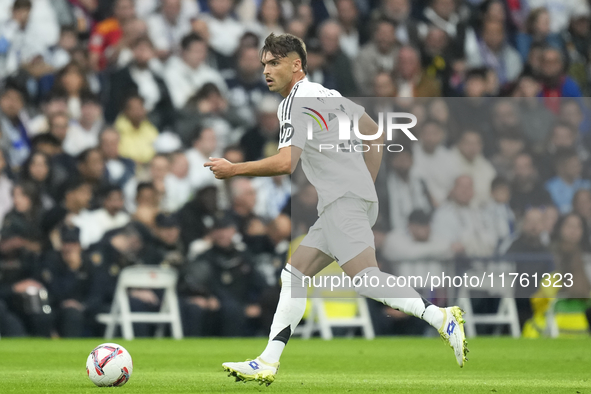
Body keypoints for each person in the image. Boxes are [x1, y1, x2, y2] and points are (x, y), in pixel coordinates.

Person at [205, 33, 468, 385]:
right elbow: (375, 135)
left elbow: (286, 163)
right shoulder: (330, 96)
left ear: (296, 65)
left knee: (366, 278)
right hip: (347, 200)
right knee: (294, 275)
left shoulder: (295, 102)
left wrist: (234, 169)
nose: (265, 69)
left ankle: (440, 317)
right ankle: (267, 361)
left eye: (274, 63)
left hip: (344, 201)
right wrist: (365, 184)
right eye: (264, 63)